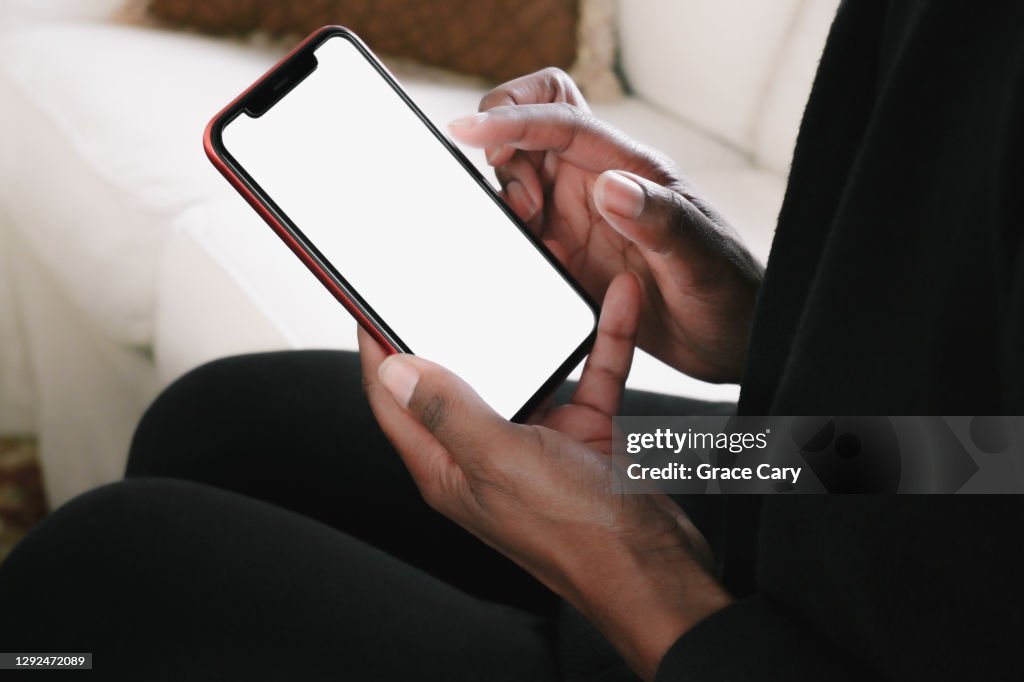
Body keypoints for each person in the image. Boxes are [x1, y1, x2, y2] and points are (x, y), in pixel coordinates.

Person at [1, 2, 1023, 679]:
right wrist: (769, 332)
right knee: (224, 419)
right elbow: (992, 441)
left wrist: (636, 573)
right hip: (827, 473)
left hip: (790, 647)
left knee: (94, 575)